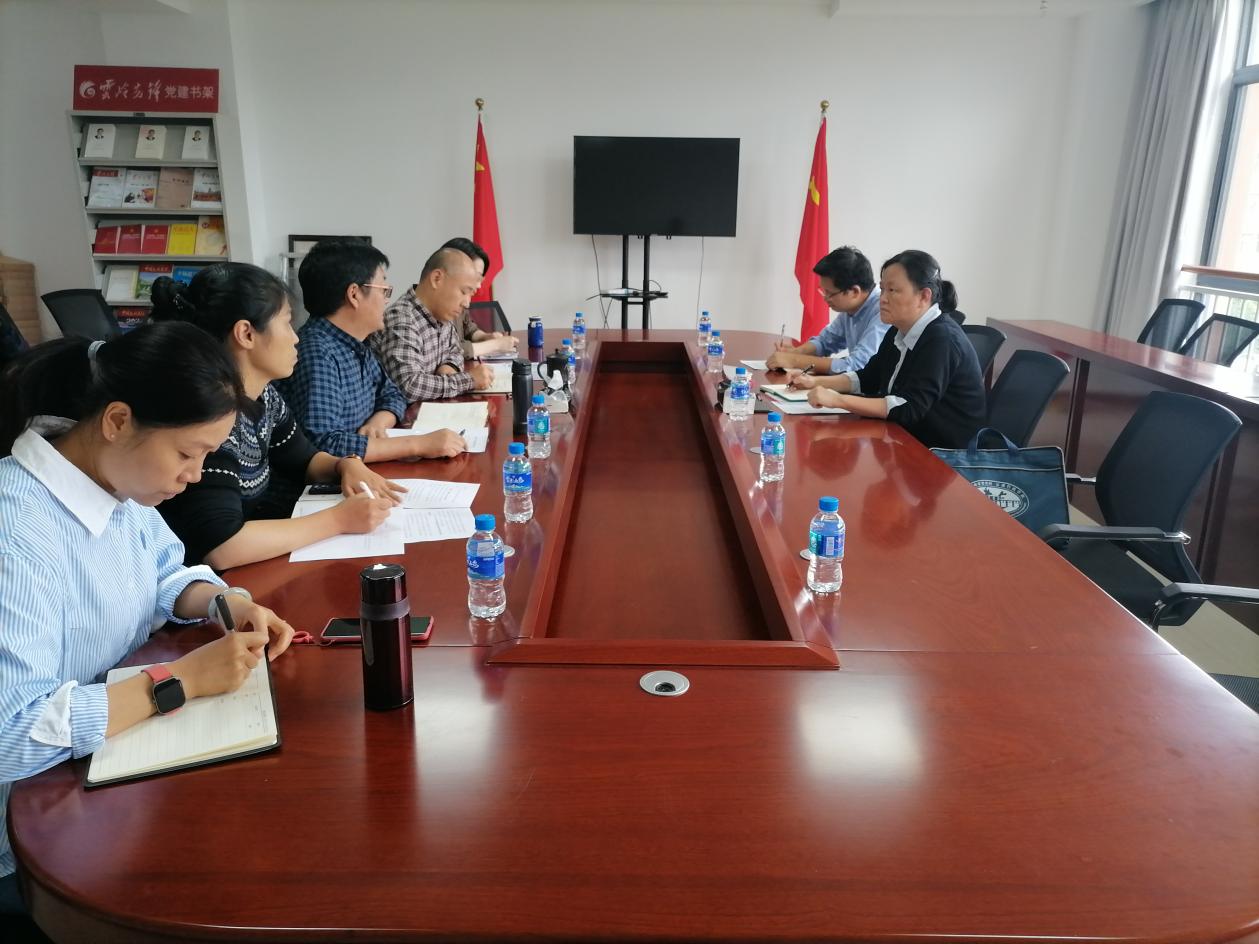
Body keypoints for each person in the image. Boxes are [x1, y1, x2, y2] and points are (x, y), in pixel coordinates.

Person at [0, 323, 295, 915]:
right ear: (118, 421)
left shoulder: (112, 481)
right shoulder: (19, 531)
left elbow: (164, 573)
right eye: (187, 454)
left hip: (106, 775)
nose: (195, 475)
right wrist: (179, 681)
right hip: (29, 839)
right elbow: (11, 734)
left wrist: (227, 604)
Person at [150, 263, 402, 569]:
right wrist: (338, 520)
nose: (296, 338)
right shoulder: (210, 415)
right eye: (286, 323)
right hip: (211, 583)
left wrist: (345, 464)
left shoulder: (264, 396)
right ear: (246, 334)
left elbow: (304, 459)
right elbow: (221, 546)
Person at [276, 239, 466, 460]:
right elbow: (324, 445)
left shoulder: (356, 344)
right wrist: (418, 445)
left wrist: (379, 421)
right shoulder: (318, 354)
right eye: (384, 290)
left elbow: (393, 394)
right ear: (354, 295)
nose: (386, 301)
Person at [790, 250, 986, 449]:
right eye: (882, 289)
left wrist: (838, 400)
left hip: (943, 454)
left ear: (923, 296)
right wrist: (814, 382)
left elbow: (908, 407)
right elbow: (868, 378)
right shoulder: (898, 330)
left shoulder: (942, 340)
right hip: (903, 439)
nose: (882, 298)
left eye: (892, 290)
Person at [369, 246, 495, 402]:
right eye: (463, 292)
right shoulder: (402, 319)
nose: (467, 303)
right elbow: (409, 386)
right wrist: (469, 380)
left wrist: (449, 367)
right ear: (436, 279)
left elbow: (455, 350)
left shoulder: (442, 313)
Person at [766, 246, 888, 374]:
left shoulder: (883, 310)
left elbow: (857, 365)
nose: (825, 298)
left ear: (854, 292)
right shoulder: (851, 308)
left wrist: (794, 360)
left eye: (830, 293)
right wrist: (796, 352)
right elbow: (825, 341)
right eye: (823, 291)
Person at [441, 236, 517, 359]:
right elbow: (447, 350)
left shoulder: (459, 299)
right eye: (475, 276)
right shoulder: (435, 306)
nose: (479, 285)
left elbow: (469, 328)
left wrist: (486, 337)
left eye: (480, 278)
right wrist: (494, 345)